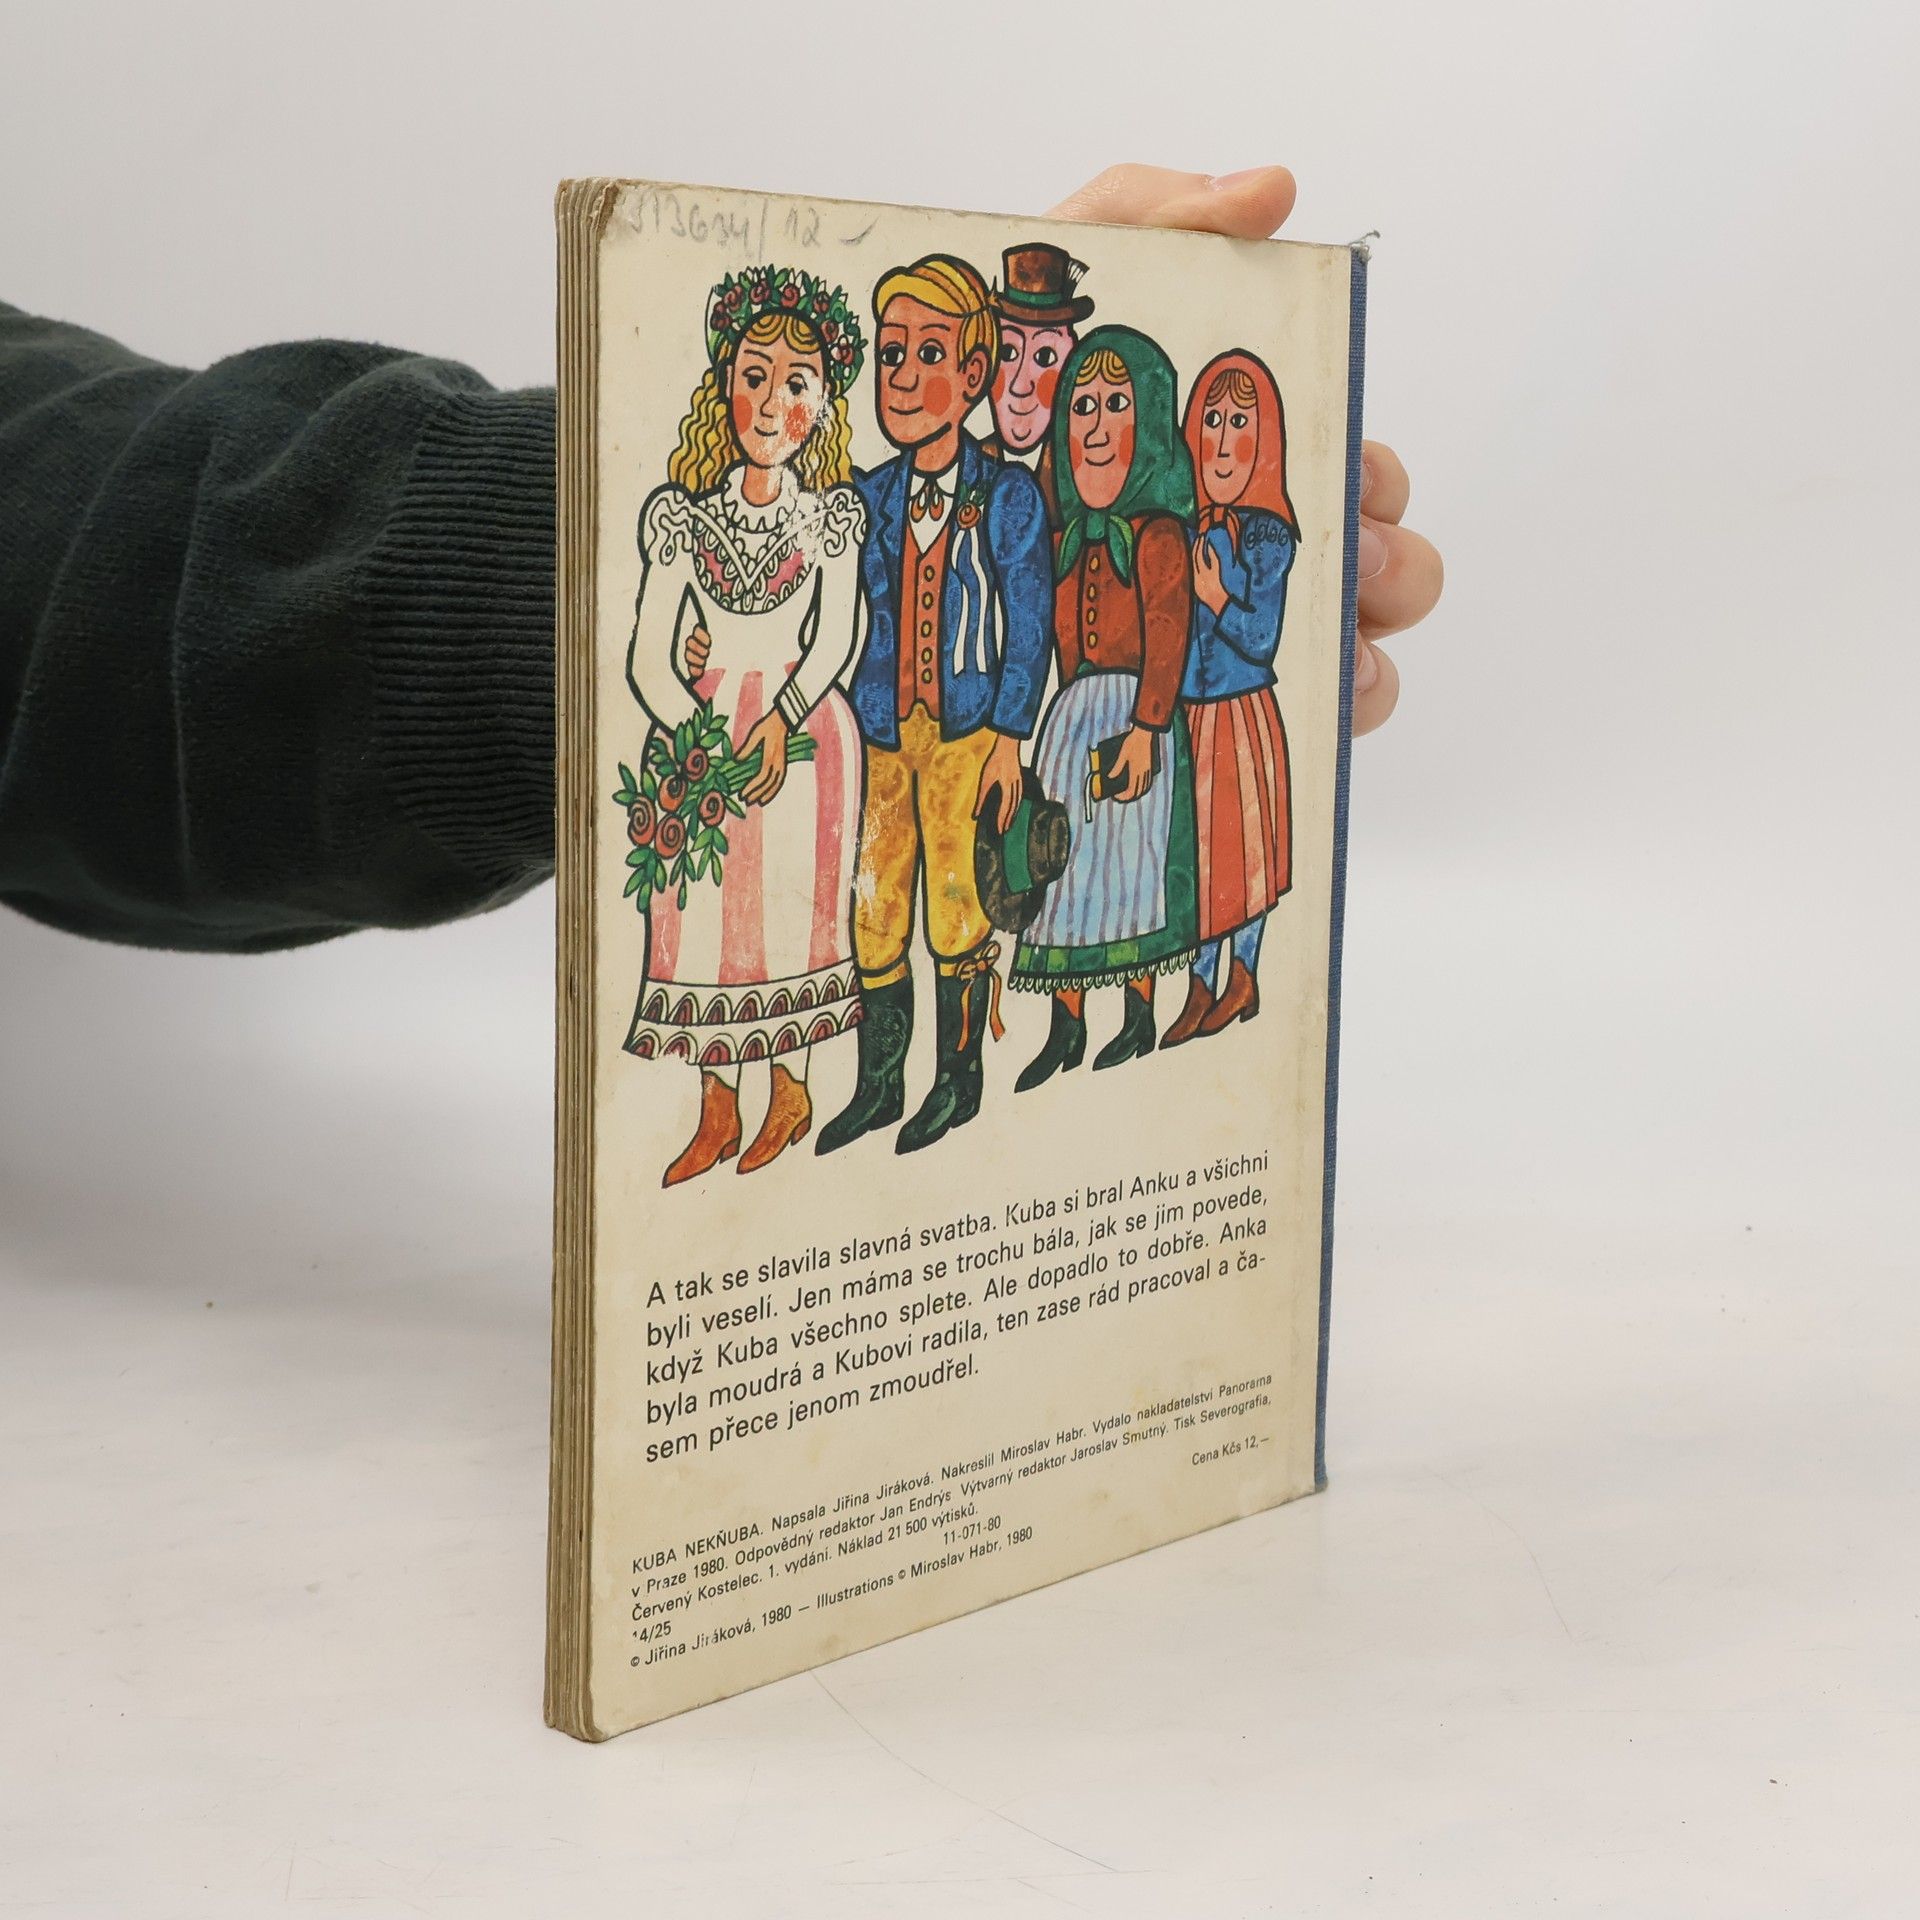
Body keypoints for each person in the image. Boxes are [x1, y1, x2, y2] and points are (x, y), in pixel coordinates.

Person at [0, 166, 1440, 955]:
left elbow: (63, 551)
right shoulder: (814, 506)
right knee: (865, 931)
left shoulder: (1022, 505)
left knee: (1004, 919)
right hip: (830, 751)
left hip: (958, 733)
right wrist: (608, 624)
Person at [623, 267, 868, 1184]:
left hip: (802, 740)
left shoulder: (831, 518)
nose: (770, 403)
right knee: (706, 924)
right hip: (702, 741)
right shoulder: (683, 521)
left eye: (795, 383)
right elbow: (648, 657)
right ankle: (717, 1107)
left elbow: (839, 636)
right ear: (722, 385)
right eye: (753, 376)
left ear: (823, 405)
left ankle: (789, 1089)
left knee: (786, 915)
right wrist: (702, 738)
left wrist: (779, 720)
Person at [817, 253, 1053, 1158]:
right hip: (881, 733)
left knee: (958, 904)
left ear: (975, 372)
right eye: (892, 355)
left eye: (929, 354)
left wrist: (1008, 738)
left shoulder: (1008, 494)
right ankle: (880, 1084)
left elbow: (1029, 623)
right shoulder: (868, 497)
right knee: (874, 905)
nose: (906, 377)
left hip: (966, 734)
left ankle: (957, 1082)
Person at [1010, 326, 1199, 1080]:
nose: (1093, 426)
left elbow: (1169, 636)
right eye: (1081, 405)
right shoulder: (1063, 537)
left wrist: (1148, 728)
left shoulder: (1157, 536)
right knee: (1067, 868)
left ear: (1147, 423)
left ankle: (1138, 1011)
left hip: (1133, 720)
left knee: (1131, 866)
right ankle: (1067, 1023)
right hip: (1071, 719)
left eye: (1115, 405)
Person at [1161, 348, 1298, 1046]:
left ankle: (1242, 973)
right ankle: (1200, 983)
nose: (1220, 440)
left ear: (1264, 439)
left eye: (1239, 422)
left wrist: (1216, 595)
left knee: (1240, 856)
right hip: (1189, 711)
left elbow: (1263, 637)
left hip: (1240, 711)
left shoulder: (1268, 536)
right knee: (1196, 857)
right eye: (1210, 420)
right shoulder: (1183, 525)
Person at [981, 242, 1094, 525]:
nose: (1021, 385)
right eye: (1007, 353)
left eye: (1045, 357)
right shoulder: (968, 467)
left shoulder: (1082, 480)